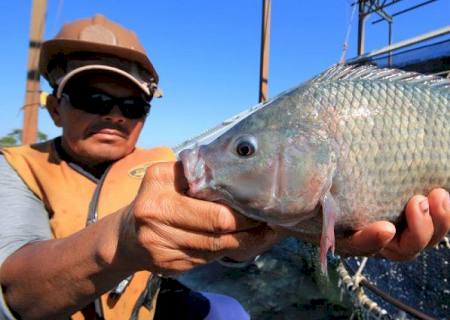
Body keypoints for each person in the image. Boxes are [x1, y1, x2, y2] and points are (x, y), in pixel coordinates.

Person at [0, 14, 449, 320]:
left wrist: (266, 236)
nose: (115, 114)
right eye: (92, 98)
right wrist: (121, 243)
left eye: (131, 103)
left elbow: (232, 248)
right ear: (56, 107)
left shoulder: (165, 168)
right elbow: (17, 291)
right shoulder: (15, 168)